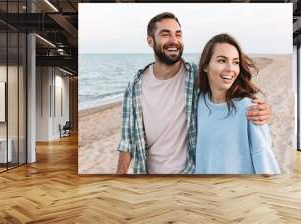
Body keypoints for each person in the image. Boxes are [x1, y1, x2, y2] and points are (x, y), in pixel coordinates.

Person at [116, 12, 271, 174]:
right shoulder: (134, 87)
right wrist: (119, 177)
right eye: (165, 34)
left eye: (178, 34)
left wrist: (262, 109)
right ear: (150, 41)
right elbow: (127, 140)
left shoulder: (196, 78)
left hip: (190, 173)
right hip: (149, 176)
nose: (174, 40)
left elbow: (228, 88)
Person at [195, 33, 280, 174]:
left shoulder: (249, 110)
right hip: (205, 192)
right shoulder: (199, 102)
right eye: (222, 60)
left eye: (235, 62)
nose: (230, 68)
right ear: (205, 66)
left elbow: (265, 162)